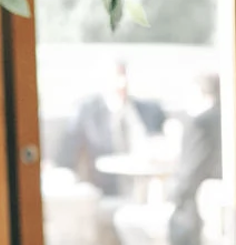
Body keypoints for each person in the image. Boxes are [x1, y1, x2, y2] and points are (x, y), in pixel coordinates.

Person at [55, 61, 165, 196]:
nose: (122, 83)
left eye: (125, 76)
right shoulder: (88, 113)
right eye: (118, 76)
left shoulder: (150, 111)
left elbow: (163, 145)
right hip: (107, 188)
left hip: (149, 187)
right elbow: (66, 155)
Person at [167, 73, 222, 245]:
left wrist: (171, 196)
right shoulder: (225, 117)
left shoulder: (200, 123)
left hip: (203, 206)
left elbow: (190, 173)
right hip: (216, 203)